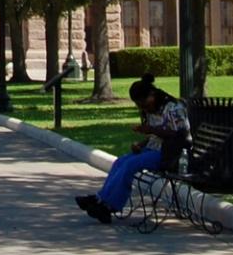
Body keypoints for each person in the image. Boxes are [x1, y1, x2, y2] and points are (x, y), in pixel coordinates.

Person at [76, 77, 190, 225]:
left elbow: (179, 134)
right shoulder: (151, 110)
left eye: (143, 103)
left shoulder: (174, 108)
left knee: (131, 165)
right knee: (121, 161)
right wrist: (141, 144)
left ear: (152, 95)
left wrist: (150, 130)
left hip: (171, 154)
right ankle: (100, 199)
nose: (143, 108)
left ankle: (109, 206)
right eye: (139, 105)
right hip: (153, 149)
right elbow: (154, 137)